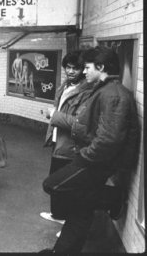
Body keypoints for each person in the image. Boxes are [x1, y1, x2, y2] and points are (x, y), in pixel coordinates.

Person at [40, 46, 140, 253]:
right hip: (95, 158)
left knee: (52, 185)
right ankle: (63, 251)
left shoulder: (113, 94)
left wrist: (84, 156)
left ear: (101, 67)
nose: (84, 72)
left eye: (87, 67)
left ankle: (112, 197)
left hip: (96, 161)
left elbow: (109, 140)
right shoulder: (105, 90)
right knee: (80, 208)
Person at [40, 50, 92, 226]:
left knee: (63, 183)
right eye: (67, 68)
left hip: (71, 146)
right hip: (59, 140)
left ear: (83, 70)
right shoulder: (65, 85)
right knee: (55, 177)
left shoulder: (86, 91)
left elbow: (80, 123)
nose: (70, 71)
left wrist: (54, 115)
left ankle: (66, 220)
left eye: (75, 68)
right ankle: (57, 214)